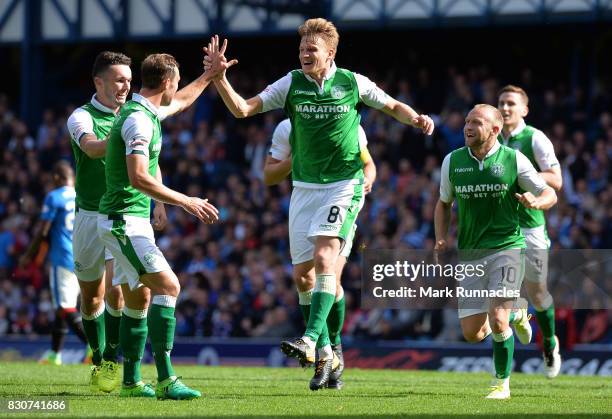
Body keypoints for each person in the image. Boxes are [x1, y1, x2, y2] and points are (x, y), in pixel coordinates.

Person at [204, 18, 433, 390]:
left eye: (312, 49)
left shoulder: (352, 83)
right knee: (304, 277)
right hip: (304, 190)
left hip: (344, 185)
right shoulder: (291, 83)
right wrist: (219, 79)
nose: (304, 54)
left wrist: (416, 119)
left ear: (331, 53)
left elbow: (390, 105)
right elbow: (243, 110)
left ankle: (311, 340)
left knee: (328, 259)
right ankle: (329, 354)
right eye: (301, 49)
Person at [67, 50, 218, 394]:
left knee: (133, 297)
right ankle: (139, 371)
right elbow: (96, 151)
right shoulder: (93, 117)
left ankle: (127, 375)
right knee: (96, 297)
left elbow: (177, 104)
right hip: (100, 215)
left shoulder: (138, 115)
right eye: (119, 80)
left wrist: (209, 77)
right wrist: (182, 199)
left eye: (129, 80)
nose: (124, 86)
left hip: (127, 214)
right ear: (99, 82)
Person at [434, 104, 557, 399]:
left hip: (507, 248)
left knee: (497, 318)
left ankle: (501, 383)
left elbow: (549, 192)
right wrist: (440, 239)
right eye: (466, 121)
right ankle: (518, 313)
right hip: (471, 253)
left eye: (476, 122)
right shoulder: (452, 161)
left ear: (495, 130)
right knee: (472, 333)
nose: (467, 127)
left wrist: (537, 203)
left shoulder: (514, 159)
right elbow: (443, 203)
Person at [263, 118, 376, 390]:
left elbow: (368, 163)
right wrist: (299, 156)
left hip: (342, 197)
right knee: (303, 279)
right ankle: (329, 352)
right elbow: (269, 175)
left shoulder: (346, 124)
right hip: (304, 200)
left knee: (327, 270)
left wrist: (367, 182)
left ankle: (321, 346)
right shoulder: (288, 128)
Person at [497, 85, 562, 378]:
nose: (506, 108)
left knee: (538, 293)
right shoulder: (492, 137)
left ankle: (549, 341)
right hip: (501, 226)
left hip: (531, 224)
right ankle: (501, 375)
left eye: (511, 103)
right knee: (501, 290)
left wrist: (523, 175)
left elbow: (557, 180)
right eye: (502, 103)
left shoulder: (534, 138)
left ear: (524, 109)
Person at [20, 161, 88, 365]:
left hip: (63, 257)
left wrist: (28, 256)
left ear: (57, 178)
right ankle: (54, 354)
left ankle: (94, 346)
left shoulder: (54, 196)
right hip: (84, 257)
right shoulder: (82, 195)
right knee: (63, 307)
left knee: (65, 306)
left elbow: (43, 231)